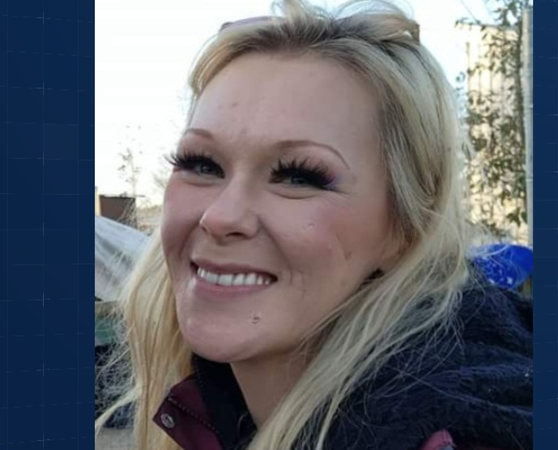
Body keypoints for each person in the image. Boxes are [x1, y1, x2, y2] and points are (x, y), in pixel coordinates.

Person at [95, 1, 533, 449]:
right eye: (202, 164)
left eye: (298, 176)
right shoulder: (214, 404)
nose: (221, 216)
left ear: (406, 229)